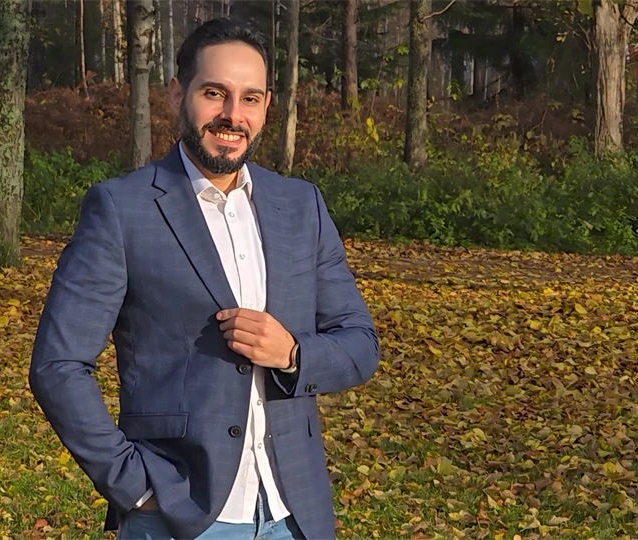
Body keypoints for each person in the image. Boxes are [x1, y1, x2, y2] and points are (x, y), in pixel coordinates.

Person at [28, 16, 380, 540]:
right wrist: (135, 486)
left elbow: (360, 344)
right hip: (177, 516)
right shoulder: (122, 209)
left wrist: (291, 354)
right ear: (177, 94)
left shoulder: (300, 205)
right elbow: (58, 364)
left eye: (251, 98)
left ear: (266, 106)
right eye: (215, 93)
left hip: (295, 513)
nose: (232, 116)